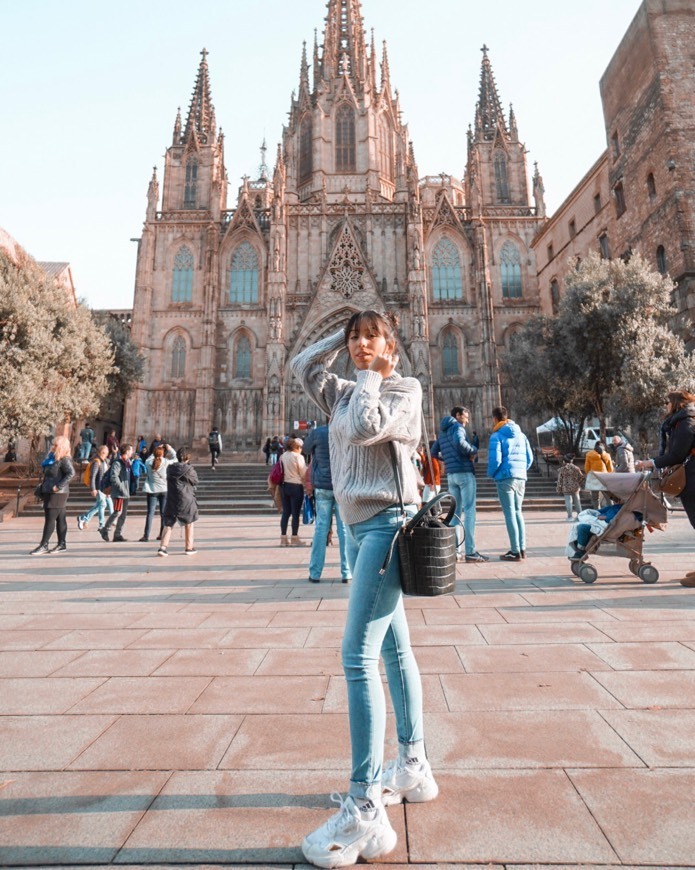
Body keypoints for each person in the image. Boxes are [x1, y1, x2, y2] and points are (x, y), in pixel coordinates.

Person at [292, 310, 437, 869]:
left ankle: (364, 805)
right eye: (355, 338)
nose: (359, 345)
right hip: (358, 531)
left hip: (387, 527)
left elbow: (362, 426)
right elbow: (301, 364)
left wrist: (375, 367)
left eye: (371, 336)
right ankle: (414, 765)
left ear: (392, 345)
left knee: (357, 657)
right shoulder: (347, 388)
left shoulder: (403, 389)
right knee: (395, 650)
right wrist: (344, 330)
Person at [635, 389, 695, 587]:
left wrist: (650, 462)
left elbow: (677, 454)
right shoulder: (684, 421)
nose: (665, 407)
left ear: (676, 403)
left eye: (667, 403)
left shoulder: (686, 424)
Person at [431, 406, 488, 564]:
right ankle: (470, 551)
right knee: (470, 511)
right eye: (466, 416)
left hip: (451, 475)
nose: (467, 419)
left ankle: (455, 551)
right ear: (458, 415)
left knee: (455, 513)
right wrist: (473, 450)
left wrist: (448, 461)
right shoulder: (458, 427)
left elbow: (433, 452)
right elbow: (459, 443)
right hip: (464, 472)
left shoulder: (442, 432)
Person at [303, 422, 351, 583]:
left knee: (321, 529)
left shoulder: (318, 432)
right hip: (341, 485)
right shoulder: (345, 429)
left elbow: (305, 449)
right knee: (344, 530)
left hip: (322, 486)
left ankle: (315, 573)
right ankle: (347, 572)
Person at [488, 406, 534, 561]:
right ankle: (522, 549)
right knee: (518, 512)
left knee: (509, 513)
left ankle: (514, 551)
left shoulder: (497, 435)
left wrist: (492, 473)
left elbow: (496, 460)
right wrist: (521, 470)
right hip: (521, 476)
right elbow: (530, 458)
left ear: (495, 418)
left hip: (505, 477)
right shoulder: (521, 435)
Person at [31, 435, 75, 555]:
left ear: (61, 446)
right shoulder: (52, 458)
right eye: (53, 444)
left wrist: (58, 486)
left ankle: (44, 545)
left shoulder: (64, 459)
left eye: (56, 445)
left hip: (57, 493)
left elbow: (71, 473)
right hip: (51, 491)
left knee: (50, 519)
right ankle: (62, 544)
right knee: (60, 519)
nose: (53, 446)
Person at [158, 446, 199, 556]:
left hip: (172, 498)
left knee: (169, 523)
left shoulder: (170, 468)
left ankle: (163, 547)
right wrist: (189, 466)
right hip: (186, 499)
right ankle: (188, 547)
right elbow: (195, 481)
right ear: (187, 458)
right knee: (189, 522)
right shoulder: (188, 469)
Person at [141, 443, 177, 541]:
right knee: (163, 513)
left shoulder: (148, 462)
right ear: (162, 454)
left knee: (150, 514)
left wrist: (156, 451)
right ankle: (161, 534)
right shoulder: (165, 462)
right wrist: (170, 449)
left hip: (152, 490)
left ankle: (146, 535)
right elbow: (176, 459)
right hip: (164, 490)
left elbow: (149, 458)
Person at [100, 443, 133, 542]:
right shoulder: (118, 463)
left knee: (123, 514)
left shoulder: (127, 462)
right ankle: (104, 529)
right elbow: (114, 477)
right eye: (131, 450)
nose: (132, 452)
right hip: (119, 493)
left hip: (126, 493)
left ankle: (117, 534)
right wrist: (122, 488)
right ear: (127, 451)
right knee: (117, 512)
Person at [279, 437, 308, 547]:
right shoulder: (298, 457)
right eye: (300, 447)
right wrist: (307, 485)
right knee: (295, 514)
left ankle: (283, 538)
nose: (301, 449)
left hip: (284, 486)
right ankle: (294, 537)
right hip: (296, 486)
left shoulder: (283, 456)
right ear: (296, 447)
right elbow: (303, 473)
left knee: (286, 513)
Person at [77, 445, 114, 532]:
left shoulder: (105, 462)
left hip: (105, 488)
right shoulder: (96, 462)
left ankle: (83, 518)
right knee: (102, 505)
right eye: (106, 453)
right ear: (102, 452)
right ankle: (102, 525)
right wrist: (93, 488)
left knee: (99, 506)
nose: (107, 454)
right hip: (98, 488)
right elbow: (92, 476)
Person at [585, 441, 614, 508]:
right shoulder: (607, 455)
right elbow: (610, 469)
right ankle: (612, 508)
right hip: (604, 477)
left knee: (595, 497)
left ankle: (597, 511)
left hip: (594, 476)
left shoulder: (589, 454)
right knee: (608, 496)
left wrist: (590, 474)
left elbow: (586, 468)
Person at [556, 453, 584, 521]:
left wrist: (558, 489)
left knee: (568, 502)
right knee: (577, 502)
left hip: (566, 488)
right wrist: (579, 484)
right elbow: (581, 477)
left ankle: (570, 517)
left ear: (564, 461)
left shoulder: (562, 469)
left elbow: (560, 480)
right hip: (575, 487)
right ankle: (580, 516)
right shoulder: (576, 468)